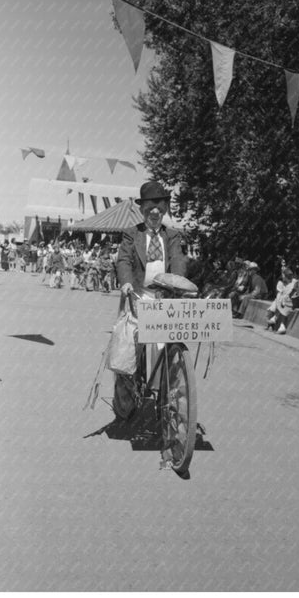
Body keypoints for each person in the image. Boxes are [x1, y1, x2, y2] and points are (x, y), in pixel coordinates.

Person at [114, 180, 187, 419]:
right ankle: (125, 401)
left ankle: (165, 394)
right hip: (138, 295)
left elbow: (177, 260)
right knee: (128, 348)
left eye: (159, 210)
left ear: (164, 210)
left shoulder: (172, 236)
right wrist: (125, 282)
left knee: (163, 345)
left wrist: (179, 283)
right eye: (150, 210)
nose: (155, 214)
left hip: (164, 297)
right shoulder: (131, 234)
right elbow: (123, 260)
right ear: (143, 211)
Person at [266, 267, 298, 334]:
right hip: (282, 300)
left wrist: (284, 299)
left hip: (292, 301)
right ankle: (275, 322)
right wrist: (280, 300)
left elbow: (293, 293)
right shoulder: (280, 282)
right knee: (276, 304)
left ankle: (279, 323)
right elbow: (279, 294)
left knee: (284, 304)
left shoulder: (294, 282)